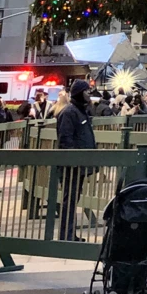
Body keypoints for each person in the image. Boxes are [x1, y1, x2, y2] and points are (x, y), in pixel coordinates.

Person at [55, 79, 96, 241]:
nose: (89, 94)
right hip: (71, 165)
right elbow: (65, 139)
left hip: (79, 163)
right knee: (69, 199)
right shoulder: (70, 113)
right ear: (79, 93)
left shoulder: (80, 111)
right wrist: (73, 160)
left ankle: (69, 233)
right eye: (86, 91)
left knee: (73, 199)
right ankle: (67, 234)